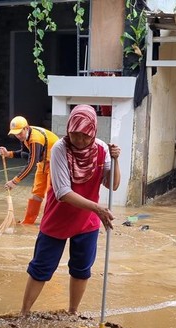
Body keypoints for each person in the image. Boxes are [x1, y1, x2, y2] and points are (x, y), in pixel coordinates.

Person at [20, 104, 121, 316]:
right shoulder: (60, 149)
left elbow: (112, 185)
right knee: (41, 268)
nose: (80, 140)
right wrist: (97, 208)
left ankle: (72, 313)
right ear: (68, 130)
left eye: (85, 136)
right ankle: (24, 313)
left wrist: (116, 161)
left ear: (93, 132)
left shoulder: (102, 150)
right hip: (58, 218)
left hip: (87, 221)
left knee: (81, 270)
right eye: (75, 134)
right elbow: (63, 192)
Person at [0, 116, 59, 225]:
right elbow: (23, 152)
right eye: (15, 134)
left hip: (56, 164)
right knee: (37, 193)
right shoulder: (25, 136)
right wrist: (8, 154)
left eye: (19, 133)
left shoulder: (35, 138)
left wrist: (14, 181)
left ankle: (51, 222)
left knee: (52, 194)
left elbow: (31, 164)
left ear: (26, 128)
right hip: (44, 163)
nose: (18, 136)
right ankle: (28, 222)